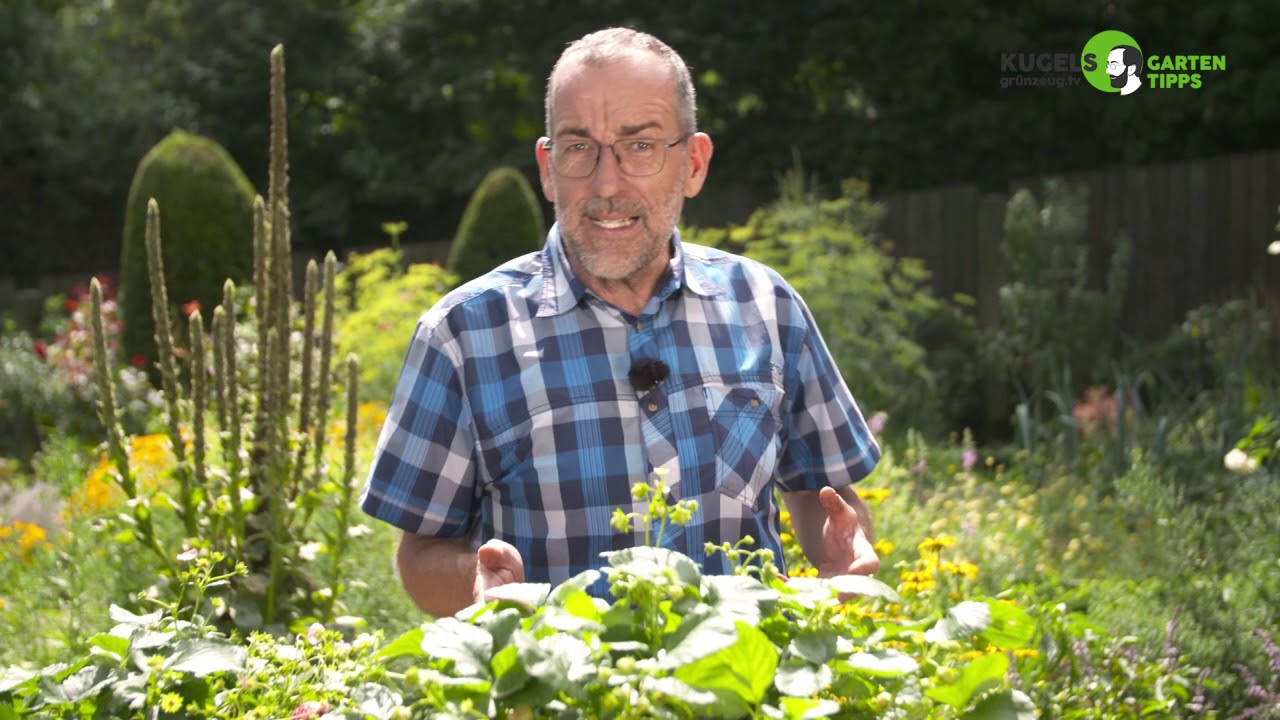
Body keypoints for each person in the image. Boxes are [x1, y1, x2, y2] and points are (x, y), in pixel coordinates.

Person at [359, 27, 883, 617]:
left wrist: (843, 547)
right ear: (549, 167)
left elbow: (824, 494)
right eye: (580, 148)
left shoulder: (767, 306)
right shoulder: (464, 334)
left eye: (640, 146)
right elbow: (421, 553)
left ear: (693, 162)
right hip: (558, 697)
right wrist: (477, 587)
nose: (607, 185)